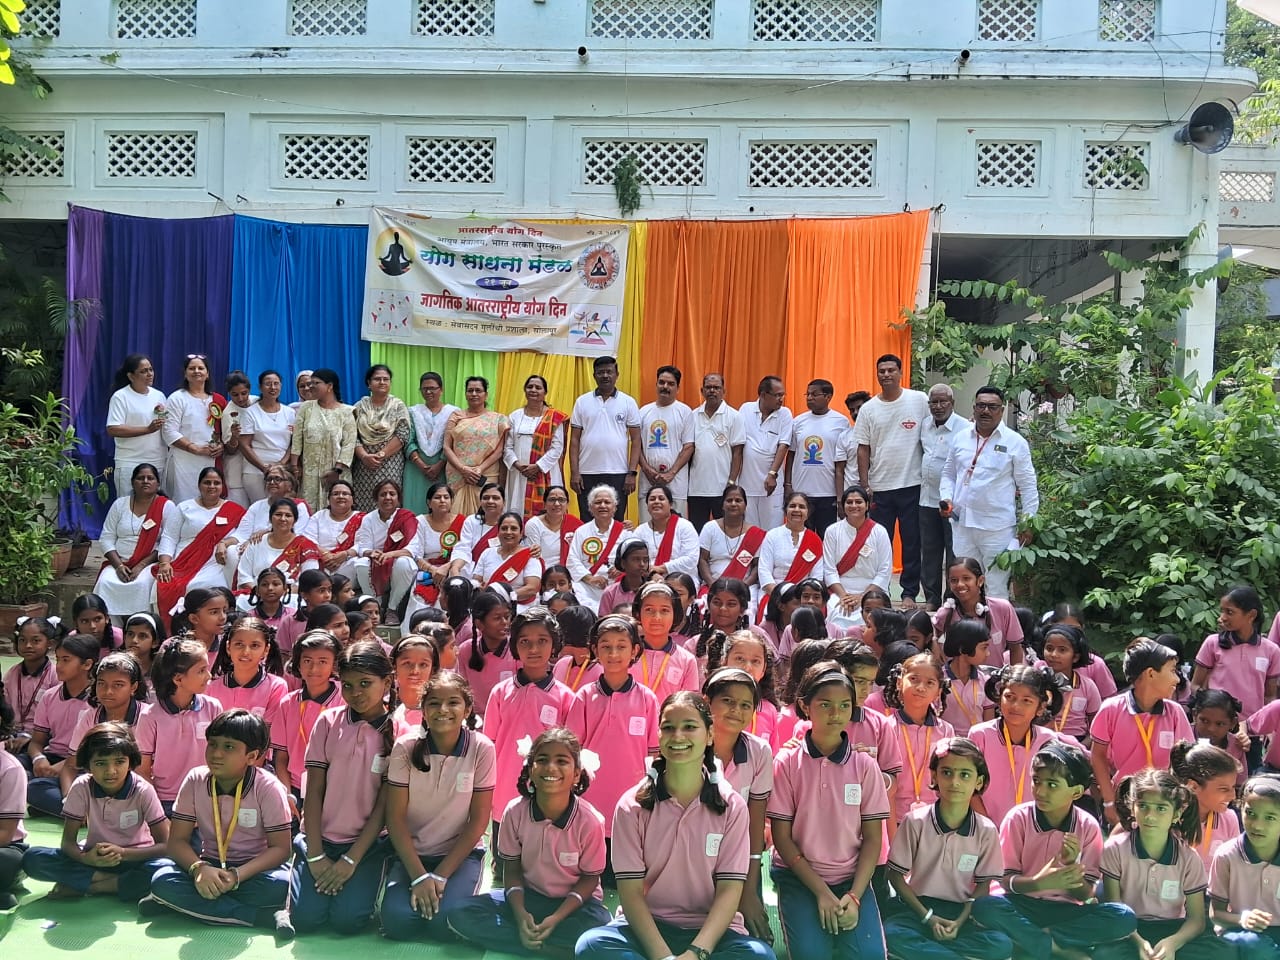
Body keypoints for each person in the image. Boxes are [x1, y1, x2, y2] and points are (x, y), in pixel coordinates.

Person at [576, 691, 777, 960]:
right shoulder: (632, 806)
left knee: (759, 956)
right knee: (591, 945)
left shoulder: (732, 807)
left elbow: (729, 891)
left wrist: (695, 953)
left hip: (710, 934)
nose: (678, 736)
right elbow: (631, 893)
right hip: (647, 927)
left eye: (690, 727)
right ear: (658, 735)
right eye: (668, 728)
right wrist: (664, 957)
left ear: (709, 735)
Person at [448, 727, 613, 955]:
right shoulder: (514, 812)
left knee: (597, 924)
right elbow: (511, 870)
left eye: (562, 761)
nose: (551, 767)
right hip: (528, 898)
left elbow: (589, 879)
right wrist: (520, 915)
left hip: (575, 905)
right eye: (542, 760)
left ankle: (531, 941)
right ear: (530, 770)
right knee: (460, 912)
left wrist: (556, 918)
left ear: (577, 774)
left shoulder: (590, 821)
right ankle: (548, 947)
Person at [971, 742, 1138, 957]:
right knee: (985, 906)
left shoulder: (1087, 826)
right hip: (1021, 904)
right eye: (1036, 781)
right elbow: (1004, 880)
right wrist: (1038, 882)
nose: (1040, 791)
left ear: (1076, 792)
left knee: (1123, 917)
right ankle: (1057, 949)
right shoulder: (1018, 818)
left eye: (1052, 784)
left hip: (1065, 911)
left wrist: (1071, 870)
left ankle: (1030, 940)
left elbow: (1087, 895)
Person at [769, 662, 889, 960]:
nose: (836, 713)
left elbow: (873, 838)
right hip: (798, 877)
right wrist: (822, 892)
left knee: (870, 955)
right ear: (805, 706)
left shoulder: (865, 766)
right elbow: (782, 838)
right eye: (825, 704)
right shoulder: (786, 763)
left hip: (851, 878)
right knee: (812, 954)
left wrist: (855, 896)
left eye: (844, 705)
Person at [275, 641, 395, 939]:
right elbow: (314, 790)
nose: (356, 693)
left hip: (368, 846)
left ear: (387, 682)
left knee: (347, 922)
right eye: (348, 685)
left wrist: (351, 860)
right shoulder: (328, 721)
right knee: (305, 919)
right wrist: (316, 854)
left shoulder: (399, 730)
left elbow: (385, 806)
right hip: (320, 839)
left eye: (365, 683)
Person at [142, 709, 292, 927]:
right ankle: (256, 917)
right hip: (208, 865)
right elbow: (176, 841)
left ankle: (185, 905)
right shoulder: (195, 779)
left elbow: (281, 849)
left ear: (251, 756)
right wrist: (199, 869)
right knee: (162, 879)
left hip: (252, 871)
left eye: (228, 747)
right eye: (212, 744)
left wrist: (235, 876)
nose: (216, 754)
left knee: (282, 885)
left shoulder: (268, 787)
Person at [381, 671, 494, 942]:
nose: (443, 710)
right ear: (423, 709)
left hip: (459, 856)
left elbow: (478, 821)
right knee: (397, 923)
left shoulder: (482, 748)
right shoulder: (406, 747)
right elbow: (395, 818)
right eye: (433, 703)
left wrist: (441, 876)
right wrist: (419, 877)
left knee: (446, 923)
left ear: (468, 709)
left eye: (453, 702)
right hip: (412, 855)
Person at [884, 737, 1013, 960]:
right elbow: (894, 875)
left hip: (962, 912)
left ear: (979, 782)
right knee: (892, 934)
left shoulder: (986, 830)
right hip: (919, 908)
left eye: (965, 775)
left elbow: (983, 884)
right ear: (934, 776)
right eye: (946, 772)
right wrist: (928, 918)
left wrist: (960, 921)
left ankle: (931, 954)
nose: (955, 782)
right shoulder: (915, 822)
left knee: (1000, 944)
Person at [22, 721, 169, 902]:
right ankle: (115, 882)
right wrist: (87, 859)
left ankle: (93, 886)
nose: (111, 771)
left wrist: (123, 852)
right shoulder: (82, 786)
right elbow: (68, 843)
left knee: (165, 869)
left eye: (120, 762)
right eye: (100, 763)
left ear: (131, 762)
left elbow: (165, 846)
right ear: (88, 765)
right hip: (94, 858)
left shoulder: (143, 790)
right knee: (33, 858)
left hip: (134, 859)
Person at [1097, 769, 1226, 960]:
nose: (1150, 815)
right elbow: (1114, 909)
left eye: (1161, 808)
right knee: (1104, 954)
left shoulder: (1188, 858)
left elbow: (1196, 921)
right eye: (1143, 806)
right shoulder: (1115, 849)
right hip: (1127, 929)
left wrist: (1172, 943)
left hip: (1173, 929)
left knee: (1219, 952)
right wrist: (1139, 943)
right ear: (1132, 808)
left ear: (1177, 813)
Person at [939, 386, 1039, 600]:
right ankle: (968, 622)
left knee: (995, 586)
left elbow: (1028, 485)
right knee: (965, 584)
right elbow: (948, 474)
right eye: (981, 406)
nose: (985, 411)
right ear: (974, 408)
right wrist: (946, 497)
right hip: (962, 525)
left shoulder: (1015, 442)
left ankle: (995, 623)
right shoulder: (960, 438)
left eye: (992, 407)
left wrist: (1028, 521)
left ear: (1001, 410)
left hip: (997, 528)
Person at [1092, 638, 1195, 827]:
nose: (1177, 679)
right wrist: (1109, 801)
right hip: (1124, 800)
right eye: (1172, 671)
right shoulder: (1111, 709)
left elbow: (1185, 760)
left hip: (1163, 801)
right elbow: (1098, 756)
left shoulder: (1175, 713)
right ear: (1150, 674)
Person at [704, 667, 774, 942]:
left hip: (739, 860)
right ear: (707, 702)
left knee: (758, 943)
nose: (736, 710)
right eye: (727, 701)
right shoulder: (689, 744)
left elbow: (756, 822)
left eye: (746, 705)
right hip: (692, 858)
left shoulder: (759, 752)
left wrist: (748, 890)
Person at [854, 354, 929, 607]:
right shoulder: (868, 409)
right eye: (881, 371)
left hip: (912, 484)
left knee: (912, 542)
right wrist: (865, 485)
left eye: (890, 370)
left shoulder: (919, 400)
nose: (886, 375)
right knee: (880, 543)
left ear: (900, 372)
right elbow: (862, 448)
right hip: (880, 488)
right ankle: (881, 591)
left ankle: (909, 592)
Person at [135, 637, 224, 814]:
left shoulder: (213, 707)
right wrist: (157, 811)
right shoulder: (150, 717)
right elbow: (142, 770)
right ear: (178, 679)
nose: (209, 676)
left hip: (205, 797)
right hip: (164, 802)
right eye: (201, 671)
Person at [154, 467, 245, 626]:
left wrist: (225, 543)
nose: (212, 486)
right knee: (165, 583)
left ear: (222, 486)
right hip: (183, 562)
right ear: (199, 485)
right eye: (207, 482)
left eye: (216, 483)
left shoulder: (234, 510)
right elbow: (169, 537)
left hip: (216, 563)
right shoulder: (184, 508)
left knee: (209, 588)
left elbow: (243, 535)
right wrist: (165, 563)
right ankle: (175, 627)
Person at [1208, 775, 1280, 958]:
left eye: (1270, 817)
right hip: (1241, 932)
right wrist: (1243, 918)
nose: (1257, 825)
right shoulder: (1227, 855)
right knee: (1255, 947)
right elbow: (1216, 913)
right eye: (1250, 813)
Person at [94, 462, 176, 619]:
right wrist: (118, 565)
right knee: (105, 582)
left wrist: (141, 565)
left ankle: (142, 625)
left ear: (158, 483)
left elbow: (168, 541)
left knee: (142, 584)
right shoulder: (120, 504)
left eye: (150, 478)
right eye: (140, 478)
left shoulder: (166, 506)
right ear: (132, 482)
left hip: (149, 563)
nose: (145, 481)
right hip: (119, 562)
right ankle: (113, 628)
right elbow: (106, 538)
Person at [569, 355, 641, 520]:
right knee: (588, 520)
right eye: (601, 372)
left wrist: (632, 473)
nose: (605, 376)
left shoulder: (628, 402)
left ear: (617, 375)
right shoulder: (582, 402)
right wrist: (574, 472)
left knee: (616, 520)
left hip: (618, 473)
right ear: (594, 375)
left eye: (609, 372)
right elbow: (574, 440)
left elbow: (636, 440)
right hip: (587, 472)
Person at [919, 384, 967, 610]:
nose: (938, 407)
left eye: (943, 402)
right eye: (933, 403)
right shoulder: (925, 425)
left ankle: (951, 598)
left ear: (952, 403)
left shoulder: (965, 428)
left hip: (952, 502)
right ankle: (931, 598)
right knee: (929, 551)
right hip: (926, 498)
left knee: (953, 549)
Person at [785, 378, 850, 535]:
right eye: (807, 394)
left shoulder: (841, 422)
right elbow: (791, 455)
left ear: (828, 397)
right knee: (801, 538)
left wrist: (841, 496)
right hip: (802, 492)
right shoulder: (798, 421)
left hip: (829, 493)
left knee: (826, 538)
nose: (809, 398)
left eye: (814, 394)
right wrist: (787, 484)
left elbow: (843, 460)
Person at [822, 485, 893, 624]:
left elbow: (884, 571)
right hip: (840, 589)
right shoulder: (832, 531)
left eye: (858, 502)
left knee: (871, 616)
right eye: (849, 502)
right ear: (843, 506)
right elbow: (829, 569)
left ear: (867, 505)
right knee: (837, 612)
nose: (854, 505)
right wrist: (844, 596)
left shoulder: (880, 532)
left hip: (873, 590)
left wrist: (862, 597)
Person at [289, 368, 357, 511]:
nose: (311, 387)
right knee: (308, 510)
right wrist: (294, 467)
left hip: (337, 473)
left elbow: (349, 444)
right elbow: (297, 439)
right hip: (309, 473)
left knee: (336, 509)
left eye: (316, 383)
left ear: (329, 386)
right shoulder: (306, 408)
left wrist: (337, 471)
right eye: (310, 383)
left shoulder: (346, 411)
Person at [162, 353, 226, 503]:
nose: (196, 371)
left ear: (207, 374)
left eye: (200, 368)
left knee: (209, 503)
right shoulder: (177, 398)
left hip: (210, 460)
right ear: (185, 374)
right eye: (192, 368)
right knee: (183, 502)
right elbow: (169, 431)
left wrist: (221, 446)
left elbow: (224, 432)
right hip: (183, 462)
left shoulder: (217, 400)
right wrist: (194, 448)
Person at [353, 479, 419, 624]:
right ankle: (375, 607)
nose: (387, 497)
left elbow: (412, 549)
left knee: (405, 563)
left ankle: (392, 609)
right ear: (376, 498)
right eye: (383, 494)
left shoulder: (407, 518)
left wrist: (389, 555)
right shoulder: (369, 519)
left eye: (392, 494)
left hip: (397, 565)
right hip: (376, 562)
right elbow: (363, 547)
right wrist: (372, 553)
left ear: (398, 498)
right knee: (361, 563)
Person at [503, 374, 568, 519]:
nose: (533, 390)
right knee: (518, 509)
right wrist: (518, 465)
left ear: (545, 392)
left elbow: (557, 448)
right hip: (519, 473)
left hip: (546, 472)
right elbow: (507, 447)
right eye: (530, 387)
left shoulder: (554, 417)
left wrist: (538, 467)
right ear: (525, 390)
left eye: (538, 387)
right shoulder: (515, 416)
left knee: (549, 509)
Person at [444, 375, 509, 517]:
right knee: (455, 516)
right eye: (470, 390)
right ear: (465, 394)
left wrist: (479, 469)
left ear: (486, 394)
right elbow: (447, 447)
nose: (474, 394)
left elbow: (499, 451)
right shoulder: (456, 416)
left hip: (486, 474)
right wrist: (463, 469)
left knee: (485, 514)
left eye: (478, 390)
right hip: (458, 475)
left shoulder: (498, 419)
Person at [687, 373, 746, 530]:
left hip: (723, 489)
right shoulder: (692, 416)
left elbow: (738, 453)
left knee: (725, 531)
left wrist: (731, 483)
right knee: (698, 532)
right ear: (702, 391)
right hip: (696, 488)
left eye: (716, 387)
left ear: (723, 391)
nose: (712, 391)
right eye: (708, 387)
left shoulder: (734, 416)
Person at [638, 365, 695, 521]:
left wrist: (671, 473)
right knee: (647, 527)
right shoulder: (643, 412)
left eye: (670, 384)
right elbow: (637, 446)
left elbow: (689, 446)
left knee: (675, 528)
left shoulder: (685, 412)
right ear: (656, 384)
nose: (665, 387)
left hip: (676, 482)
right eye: (661, 382)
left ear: (678, 388)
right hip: (648, 482)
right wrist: (648, 470)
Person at [106, 353, 168, 496]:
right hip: (130, 462)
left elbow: (165, 425)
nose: (149, 374)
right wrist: (147, 429)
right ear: (131, 376)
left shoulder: (159, 395)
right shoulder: (120, 396)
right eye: (143, 371)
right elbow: (113, 428)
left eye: (150, 369)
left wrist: (163, 415)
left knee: (156, 505)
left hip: (157, 460)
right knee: (128, 505)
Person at [351, 363, 411, 512]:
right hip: (364, 465)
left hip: (390, 462)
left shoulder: (397, 406)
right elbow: (351, 435)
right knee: (364, 503)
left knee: (388, 500)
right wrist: (365, 457)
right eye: (377, 379)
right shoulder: (359, 406)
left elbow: (403, 434)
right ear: (369, 383)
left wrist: (381, 455)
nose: (382, 382)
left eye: (386, 379)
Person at [232, 498, 320, 598]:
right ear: (270, 519)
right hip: (257, 596)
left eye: (288, 515)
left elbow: (309, 580)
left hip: (291, 598)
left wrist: (281, 594)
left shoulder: (305, 546)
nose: (283, 519)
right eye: (278, 514)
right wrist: (263, 594)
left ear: (295, 521)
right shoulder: (257, 542)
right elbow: (244, 576)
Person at [757, 492, 825, 621]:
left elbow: (817, 576)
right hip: (774, 591)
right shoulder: (772, 535)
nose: (797, 510)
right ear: (785, 510)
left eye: (802, 507)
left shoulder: (815, 540)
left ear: (808, 513)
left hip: (805, 596)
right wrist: (780, 594)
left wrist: (803, 597)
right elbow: (764, 570)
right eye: (792, 506)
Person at [737, 376, 792, 530]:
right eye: (777, 395)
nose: (781, 399)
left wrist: (772, 474)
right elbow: (738, 443)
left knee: (772, 531)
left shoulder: (785, 414)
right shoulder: (746, 409)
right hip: (747, 484)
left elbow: (783, 445)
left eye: (783, 395)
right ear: (763, 395)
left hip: (771, 486)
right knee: (749, 531)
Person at [404, 371, 460, 521]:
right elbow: (408, 440)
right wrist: (421, 465)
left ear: (441, 390)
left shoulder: (454, 413)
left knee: (440, 506)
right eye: (425, 389)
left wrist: (440, 464)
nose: (428, 392)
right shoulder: (412, 412)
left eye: (432, 388)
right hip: (416, 469)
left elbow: (454, 441)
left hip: (443, 467)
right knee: (414, 509)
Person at [239, 369, 297, 505]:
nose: (272, 387)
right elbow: (244, 444)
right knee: (261, 508)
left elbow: (294, 443)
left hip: (282, 471)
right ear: (260, 387)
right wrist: (264, 468)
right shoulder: (250, 413)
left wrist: (282, 463)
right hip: (255, 471)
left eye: (276, 384)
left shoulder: (289, 412)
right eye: (268, 384)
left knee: (281, 508)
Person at [567, 485, 628, 611]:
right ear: (590, 508)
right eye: (598, 502)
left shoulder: (625, 532)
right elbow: (572, 560)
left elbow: (632, 559)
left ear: (615, 507)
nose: (602, 506)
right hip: (587, 586)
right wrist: (590, 579)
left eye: (607, 502)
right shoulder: (581, 531)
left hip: (618, 584)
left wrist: (621, 568)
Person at [699, 483, 765, 592]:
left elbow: (756, 566)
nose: (733, 504)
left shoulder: (755, 534)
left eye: (738, 500)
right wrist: (712, 584)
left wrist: (743, 586)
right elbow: (702, 560)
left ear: (745, 506)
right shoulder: (710, 528)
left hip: (745, 587)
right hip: (713, 585)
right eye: (729, 500)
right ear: (722, 505)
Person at [632, 484, 701, 582]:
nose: (656, 502)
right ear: (647, 506)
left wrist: (661, 568)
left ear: (671, 504)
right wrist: (653, 574)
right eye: (652, 499)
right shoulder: (640, 531)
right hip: (648, 579)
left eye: (661, 498)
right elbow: (634, 559)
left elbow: (691, 559)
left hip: (681, 581)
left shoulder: (684, 526)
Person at [472, 513, 542, 606]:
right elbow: (477, 582)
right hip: (488, 607)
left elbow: (532, 589)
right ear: (498, 533)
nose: (508, 532)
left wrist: (501, 596)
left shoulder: (530, 555)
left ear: (521, 533)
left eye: (514, 528)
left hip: (520, 608)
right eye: (504, 528)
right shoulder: (487, 553)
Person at [301, 478, 364, 583]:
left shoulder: (361, 518)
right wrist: (326, 555)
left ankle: (341, 588)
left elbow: (363, 543)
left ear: (352, 499)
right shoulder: (319, 516)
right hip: (321, 560)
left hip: (346, 561)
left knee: (356, 562)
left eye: (345, 494)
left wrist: (345, 554)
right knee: (309, 560)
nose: (340, 496)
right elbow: (307, 539)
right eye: (336, 494)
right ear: (329, 500)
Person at [524, 484, 583, 569]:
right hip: (541, 571)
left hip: (570, 571)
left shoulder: (575, 523)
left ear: (567, 504)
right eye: (552, 500)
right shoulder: (534, 524)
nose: (557, 504)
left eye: (561, 500)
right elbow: (534, 557)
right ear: (544, 504)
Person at [220, 370, 256, 506]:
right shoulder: (228, 414)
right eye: (235, 395)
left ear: (249, 390)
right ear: (229, 393)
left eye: (244, 393)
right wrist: (234, 438)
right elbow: (230, 450)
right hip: (237, 470)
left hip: (257, 466)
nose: (240, 398)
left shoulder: (257, 402)